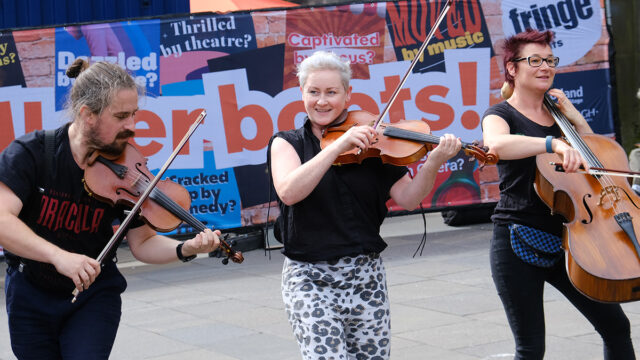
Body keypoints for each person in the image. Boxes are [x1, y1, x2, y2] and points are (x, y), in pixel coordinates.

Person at [0, 59, 221, 359]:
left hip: (94, 295)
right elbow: (3, 221)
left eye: (134, 115)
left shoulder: (127, 169)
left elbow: (142, 242)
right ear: (86, 115)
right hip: (31, 293)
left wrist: (186, 248)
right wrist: (59, 257)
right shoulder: (31, 154)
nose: (132, 126)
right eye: (121, 116)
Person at [268, 50, 462, 359]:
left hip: (365, 276)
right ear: (301, 93)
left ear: (347, 95)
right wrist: (336, 148)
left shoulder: (372, 139)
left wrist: (434, 161)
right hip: (310, 278)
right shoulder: (287, 142)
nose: (322, 101)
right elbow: (289, 192)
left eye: (332, 92)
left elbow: (409, 199)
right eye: (314, 92)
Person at [482, 29, 635, 359]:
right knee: (531, 348)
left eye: (550, 60)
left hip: (571, 241)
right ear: (512, 67)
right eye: (534, 60)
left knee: (616, 327)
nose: (545, 67)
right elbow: (496, 145)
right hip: (517, 239)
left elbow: (598, 160)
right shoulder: (501, 114)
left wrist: (573, 117)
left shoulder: (559, 115)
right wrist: (550, 143)